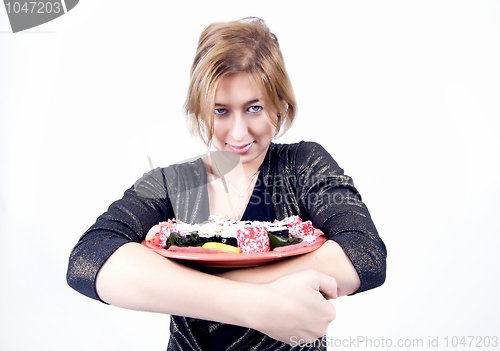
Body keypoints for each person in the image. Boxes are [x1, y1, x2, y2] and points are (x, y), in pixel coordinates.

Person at [67, 17, 386, 350]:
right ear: (201, 110)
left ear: (279, 104)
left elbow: (365, 254)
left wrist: (177, 287)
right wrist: (256, 305)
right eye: (220, 111)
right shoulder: (171, 183)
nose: (237, 133)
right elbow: (89, 260)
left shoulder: (303, 165)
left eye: (254, 108)